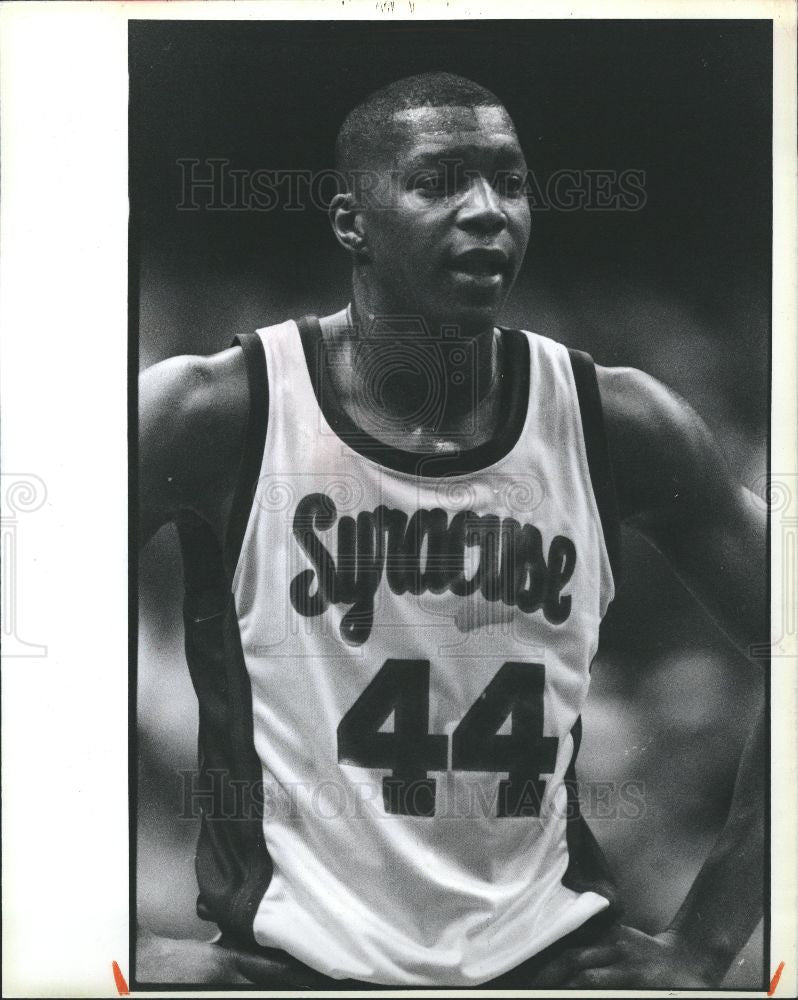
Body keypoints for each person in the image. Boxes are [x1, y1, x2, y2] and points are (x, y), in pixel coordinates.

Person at [137, 72, 766, 989]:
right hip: (292, 966)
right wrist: (93, 926)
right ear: (351, 219)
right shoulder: (214, 410)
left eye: (509, 182)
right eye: (439, 182)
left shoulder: (620, 422)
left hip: (542, 961)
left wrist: (707, 943)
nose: (487, 212)